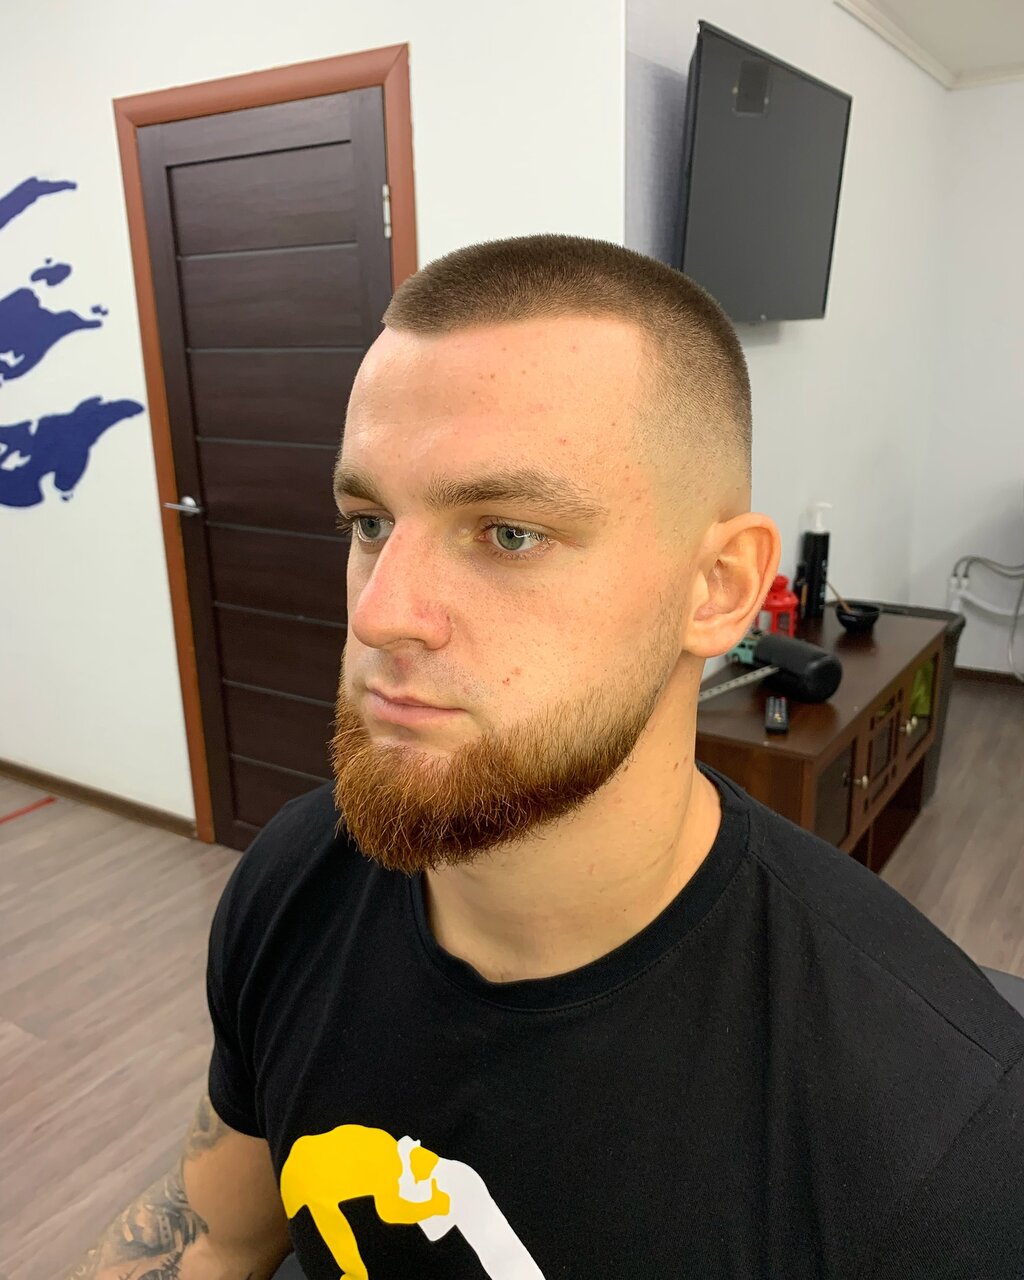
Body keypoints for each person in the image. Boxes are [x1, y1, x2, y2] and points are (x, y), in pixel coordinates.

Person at [60, 235, 1024, 1280]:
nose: (380, 614)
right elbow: (214, 1236)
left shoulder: (933, 1140)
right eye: (370, 522)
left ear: (717, 588)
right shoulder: (296, 876)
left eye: (508, 532)